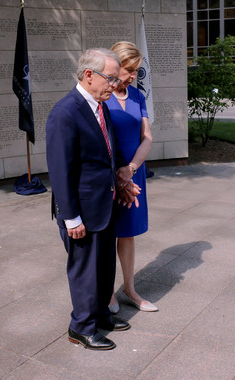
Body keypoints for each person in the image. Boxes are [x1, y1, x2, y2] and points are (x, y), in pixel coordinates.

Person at [46, 48, 140, 351]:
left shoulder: (100, 106)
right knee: (85, 270)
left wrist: (123, 179)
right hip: (81, 210)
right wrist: (71, 217)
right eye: (110, 79)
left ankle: (100, 315)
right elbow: (61, 171)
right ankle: (81, 327)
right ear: (89, 75)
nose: (114, 85)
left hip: (105, 203)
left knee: (102, 266)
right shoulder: (65, 112)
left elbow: (111, 151)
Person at [106, 41, 158, 313]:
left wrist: (132, 169)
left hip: (133, 175)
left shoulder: (137, 96)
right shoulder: (102, 95)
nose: (132, 76)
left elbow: (147, 137)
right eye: (128, 70)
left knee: (127, 234)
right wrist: (118, 172)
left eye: (136, 71)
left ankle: (129, 289)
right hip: (109, 176)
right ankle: (107, 293)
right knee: (106, 233)